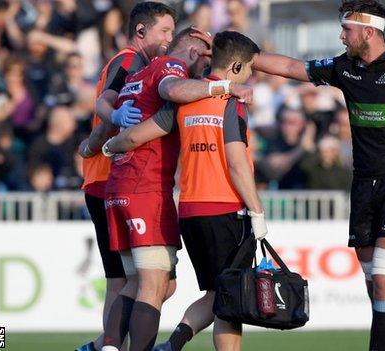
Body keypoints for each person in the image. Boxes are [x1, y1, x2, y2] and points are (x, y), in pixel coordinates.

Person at [251, 1, 385, 349]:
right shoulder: (345, 67)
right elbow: (289, 66)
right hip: (363, 186)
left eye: (347, 30)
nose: (342, 36)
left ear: (369, 32)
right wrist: (238, 52)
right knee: (376, 286)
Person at [101, 30, 266, 351]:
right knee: (230, 300)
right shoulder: (230, 101)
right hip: (225, 208)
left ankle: (170, 344)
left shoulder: (183, 104)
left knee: (216, 293)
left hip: (189, 212)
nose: (251, 78)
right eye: (249, 70)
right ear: (235, 69)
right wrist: (257, 210)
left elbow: (137, 135)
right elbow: (236, 163)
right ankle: (163, 346)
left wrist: (109, 145)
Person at [75, 3, 180, 351]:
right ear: (140, 32)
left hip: (110, 179)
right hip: (115, 178)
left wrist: (91, 143)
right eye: (163, 31)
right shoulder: (130, 60)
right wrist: (99, 140)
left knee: (146, 281)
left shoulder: (133, 64)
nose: (169, 39)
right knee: (128, 280)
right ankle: (108, 346)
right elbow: (105, 105)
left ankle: (103, 345)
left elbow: (104, 105)